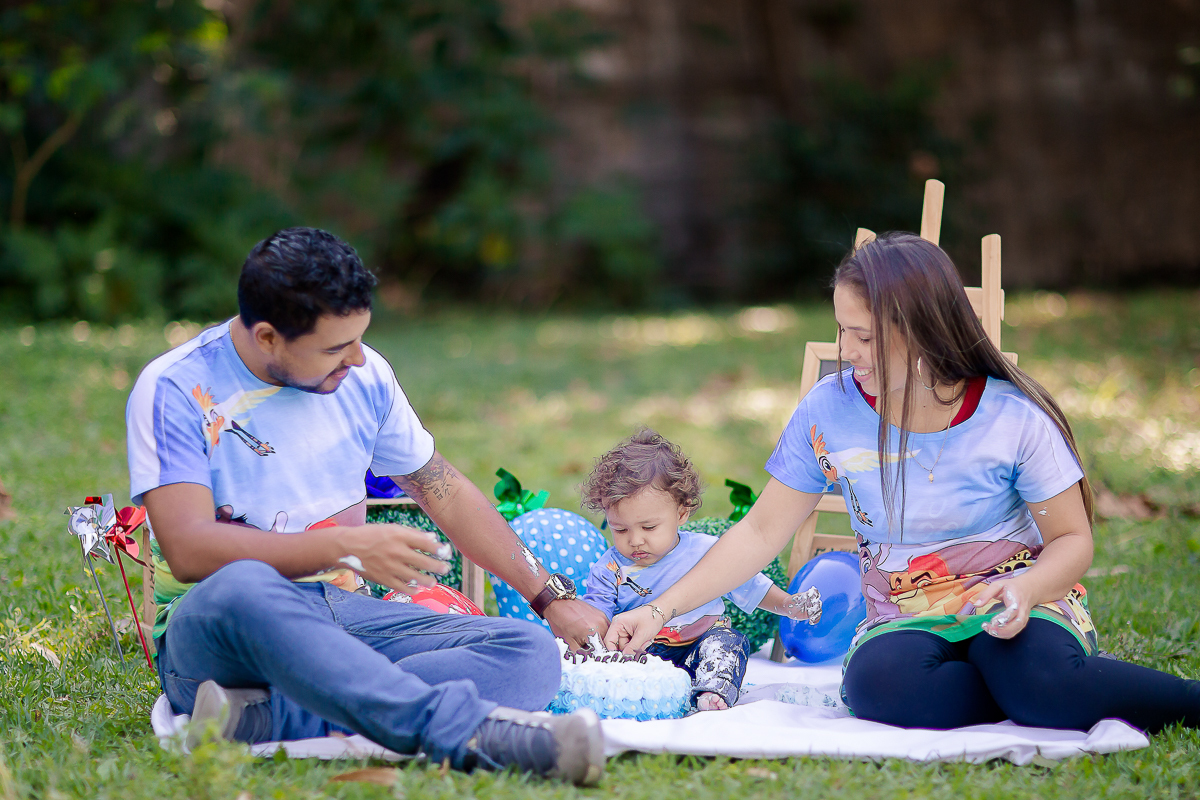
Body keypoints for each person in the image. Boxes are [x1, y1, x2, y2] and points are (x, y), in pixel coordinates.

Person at [604, 232, 1200, 733]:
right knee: (880, 690)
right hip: (904, 611)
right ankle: (1029, 689)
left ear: (923, 329)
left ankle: (1089, 689)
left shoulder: (1012, 416)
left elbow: (1074, 540)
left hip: (1020, 598)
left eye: (864, 336)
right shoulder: (827, 411)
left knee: (1041, 680)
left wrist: (1026, 589)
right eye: (842, 331)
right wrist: (658, 611)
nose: (848, 351)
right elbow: (760, 532)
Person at [126, 227, 608, 784]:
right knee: (244, 583)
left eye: (360, 338)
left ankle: (261, 717)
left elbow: (440, 487)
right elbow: (189, 551)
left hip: (336, 612)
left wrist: (547, 598)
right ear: (266, 337)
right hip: (216, 627)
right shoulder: (175, 387)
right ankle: (469, 732)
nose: (357, 359)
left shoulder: (365, 376)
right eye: (335, 347)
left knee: (525, 650)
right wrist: (344, 546)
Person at [580, 429, 821, 711]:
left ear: (682, 513)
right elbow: (595, 617)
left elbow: (748, 583)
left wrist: (788, 605)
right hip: (645, 653)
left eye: (649, 527)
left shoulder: (706, 552)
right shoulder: (610, 568)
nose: (635, 540)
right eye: (619, 529)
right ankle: (647, 696)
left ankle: (712, 691)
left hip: (702, 643)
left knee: (727, 645)